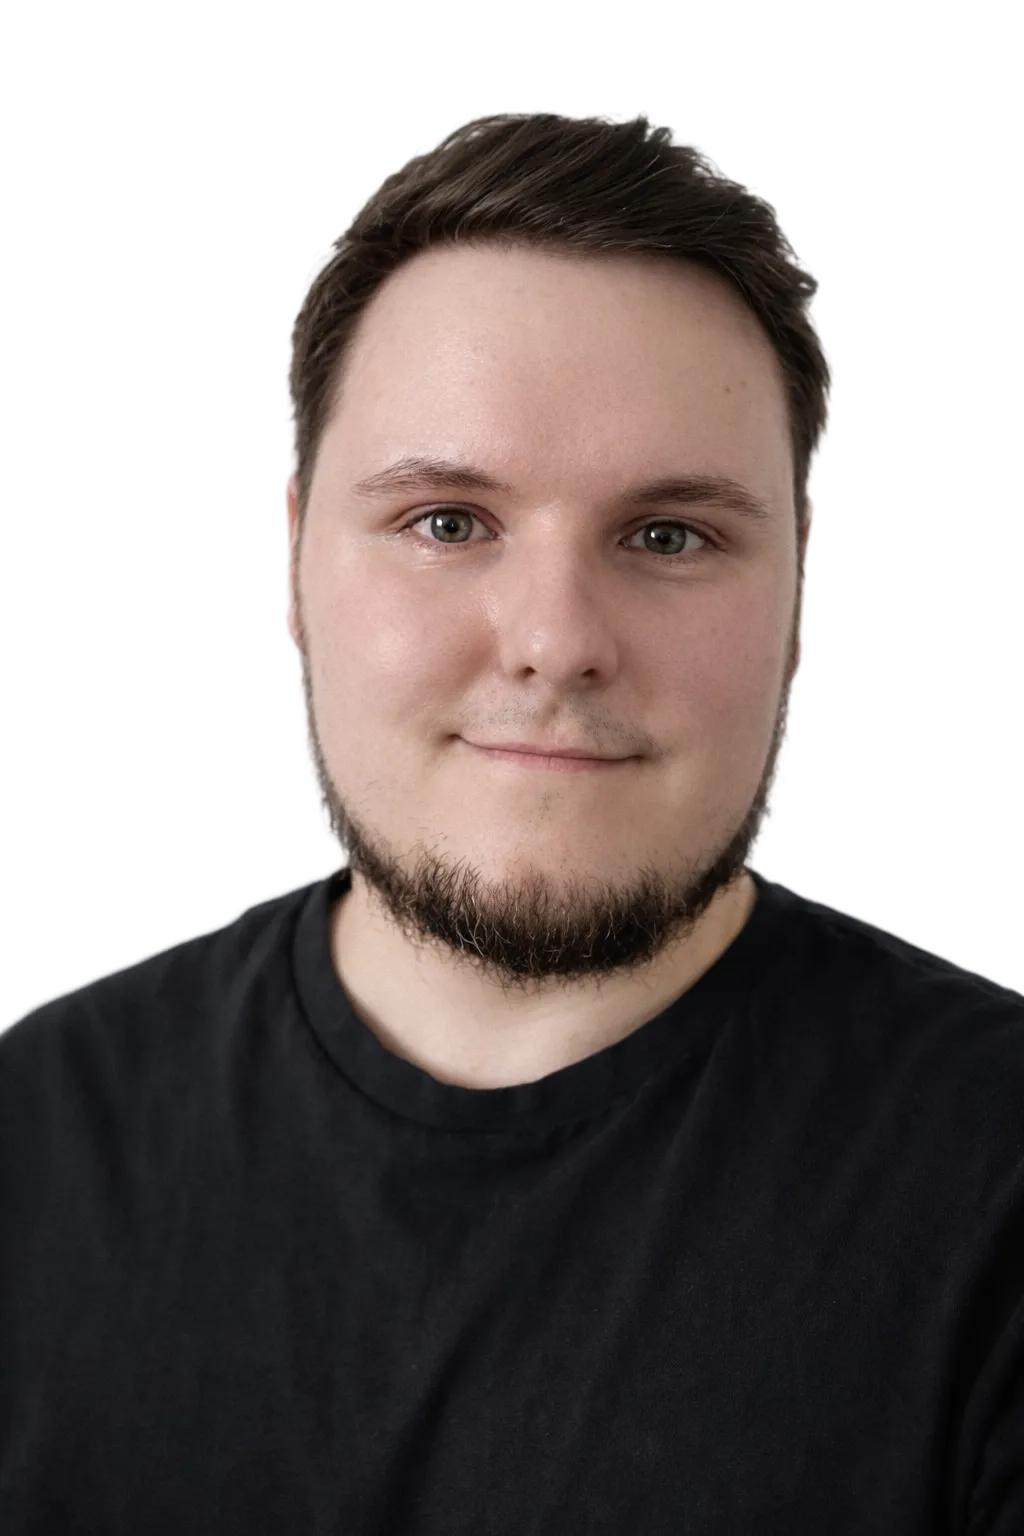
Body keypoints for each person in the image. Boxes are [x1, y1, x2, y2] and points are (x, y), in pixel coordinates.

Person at [2, 108, 1020, 1533]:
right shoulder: (30, 1140)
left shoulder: (997, 1178)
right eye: (446, 522)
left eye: (670, 536)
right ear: (292, 565)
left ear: (803, 595)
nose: (554, 640)